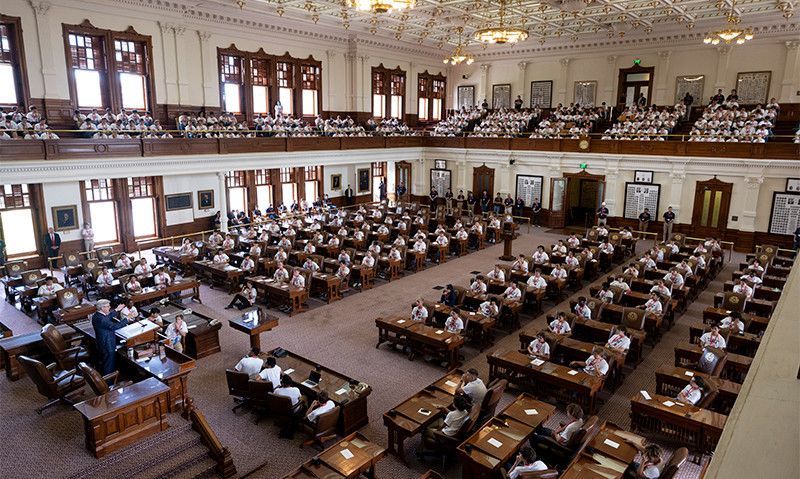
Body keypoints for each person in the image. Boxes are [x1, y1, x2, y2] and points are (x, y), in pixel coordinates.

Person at [91, 299, 128, 374]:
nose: (110, 307)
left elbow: (108, 316)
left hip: (103, 341)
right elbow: (114, 326)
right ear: (102, 308)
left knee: (107, 361)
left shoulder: (98, 315)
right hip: (107, 344)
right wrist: (126, 319)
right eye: (108, 306)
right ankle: (108, 383)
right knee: (109, 364)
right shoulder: (101, 319)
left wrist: (117, 310)